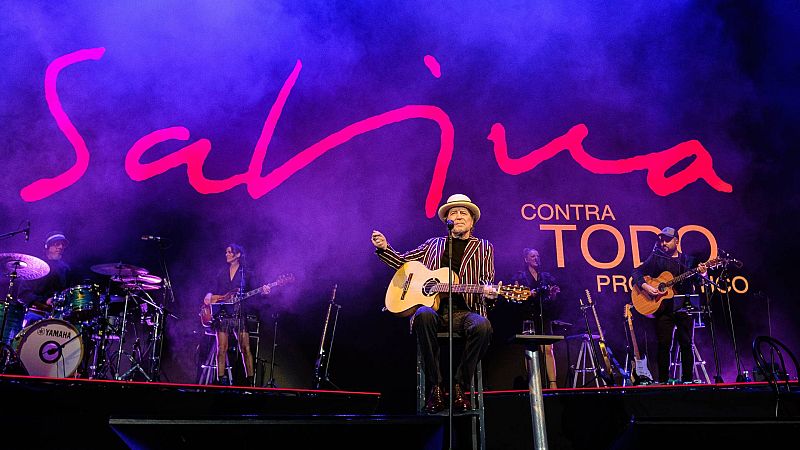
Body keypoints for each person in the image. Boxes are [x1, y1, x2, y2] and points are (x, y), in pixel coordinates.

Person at [371, 194, 497, 413]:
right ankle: (436, 386)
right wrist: (384, 248)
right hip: (435, 312)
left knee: (483, 326)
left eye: (463, 213)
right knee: (423, 314)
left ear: (472, 221)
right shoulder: (433, 245)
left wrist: (489, 294)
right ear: (446, 220)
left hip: (465, 312)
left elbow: (486, 281)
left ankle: (460, 385)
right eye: (453, 213)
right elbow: (403, 264)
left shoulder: (484, 248)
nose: (458, 217)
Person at [631, 227, 707, 384]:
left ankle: (687, 380)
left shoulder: (689, 261)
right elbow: (636, 272)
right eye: (662, 240)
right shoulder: (657, 257)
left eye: (667, 239)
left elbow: (699, 282)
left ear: (676, 241)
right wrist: (646, 286)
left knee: (686, 343)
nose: (663, 242)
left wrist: (704, 273)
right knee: (664, 345)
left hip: (683, 307)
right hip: (663, 309)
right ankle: (663, 381)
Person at [203, 244, 270, 386]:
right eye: (226, 252)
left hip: (239, 314)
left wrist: (264, 290)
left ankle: (250, 382)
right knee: (222, 348)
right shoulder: (222, 272)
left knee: (246, 348)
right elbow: (212, 288)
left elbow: (257, 287)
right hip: (223, 314)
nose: (226, 254)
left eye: (229, 252)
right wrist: (209, 295)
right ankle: (220, 380)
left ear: (238, 255)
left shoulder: (246, 273)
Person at [510, 247, 561, 389]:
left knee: (548, 349)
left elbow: (552, 299)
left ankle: (553, 384)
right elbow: (514, 298)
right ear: (526, 259)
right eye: (532, 256)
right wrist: (528, 294)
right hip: (528, 315)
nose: (536, 258)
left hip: (543, 314)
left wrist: (553, 294)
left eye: (537, 256)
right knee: (530, 348)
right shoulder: (520, 277)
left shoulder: (546, 276)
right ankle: (533, 383)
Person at [17, 231, 72, 325]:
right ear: (47, 246)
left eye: (62, 245)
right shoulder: (35, 266)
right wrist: (44, 301)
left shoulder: (65, 269)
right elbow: (23, 294)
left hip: (57, 315)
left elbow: (67, 292)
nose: (60, 247)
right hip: (35, 312)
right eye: (57, 244)